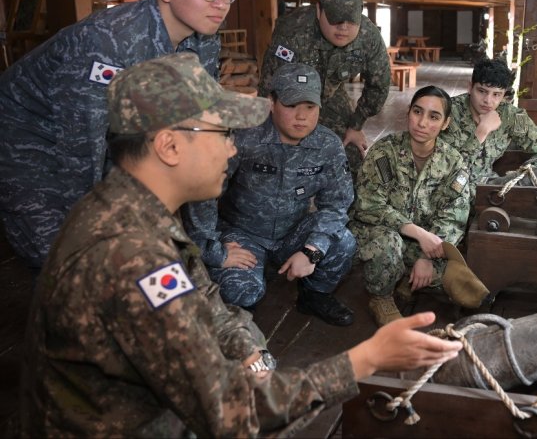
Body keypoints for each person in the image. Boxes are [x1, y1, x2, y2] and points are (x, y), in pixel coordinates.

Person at [20, 52, 462, 437]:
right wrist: (365, 360)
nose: (233, 150)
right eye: (222, 133)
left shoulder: (131, 211)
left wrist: (253, 354)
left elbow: (204, 300)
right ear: (169, 146)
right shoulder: (130, 255)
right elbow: (234, 412)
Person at [0, 0, 253, 270]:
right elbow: (80, 151)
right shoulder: (106, 41)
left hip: (103, 133)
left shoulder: (203, 41)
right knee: (71, 258)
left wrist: (208, 247)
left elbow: (199, 133)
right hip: (27, 135)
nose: (221, 3)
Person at [182, 63, 356, 326]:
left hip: (292, 232)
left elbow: (337, 204)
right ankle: (252, 283)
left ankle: (314, 295)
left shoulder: (328, 145)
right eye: (291, 105)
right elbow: (203, 194)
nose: (302, 116)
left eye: (310, 107)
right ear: (271, 103)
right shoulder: (244, 137)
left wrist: (312, 251)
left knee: (343, 242)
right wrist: (213, 250)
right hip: (243, 234)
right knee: (241, 292)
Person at [349, 86, 473, 326]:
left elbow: (453, 217)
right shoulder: (385, 152)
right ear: (408, 112)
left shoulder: (453, 162)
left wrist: (428, 258)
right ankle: (381, 297)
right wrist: (418, 233)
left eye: (434, 117)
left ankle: (409, 277)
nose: (422, 123)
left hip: (423, 243)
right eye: (417, 112)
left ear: (445, 124)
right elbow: (369, 206)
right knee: (388, 244)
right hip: (378, 232)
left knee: (462, 282)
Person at [259, 0, 391, 180]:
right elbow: (269, 85)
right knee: (278, 158)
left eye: (351, 19)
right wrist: (270, 128)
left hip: (330, 94)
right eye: (336, 18)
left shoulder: (369, 38)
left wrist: (356, 126)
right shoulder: (292, 33)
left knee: (351, 154)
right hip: (291, 99)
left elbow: (378, 86)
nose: (343, 27)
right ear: (319, 10)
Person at [440, 57, 537, 188]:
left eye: (496, 94)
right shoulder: (447, 112)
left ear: (504, 95)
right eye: (482, 91)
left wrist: (523, 177)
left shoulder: (512, 116)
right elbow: (442, 167)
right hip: (447, 189)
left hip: (488, 187)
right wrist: (481, 132)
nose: (487, 100)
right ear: (470, 87)